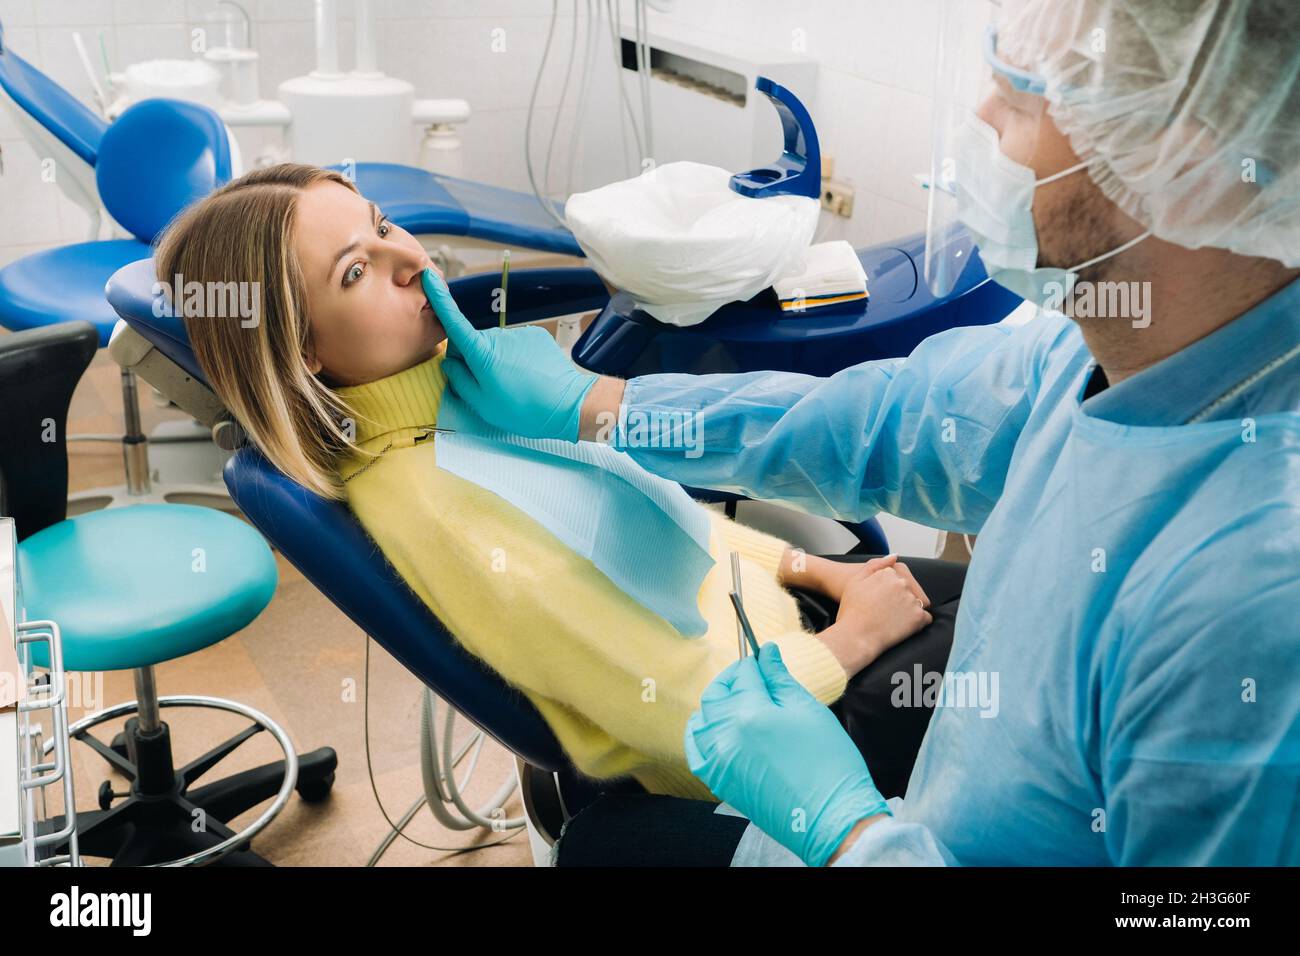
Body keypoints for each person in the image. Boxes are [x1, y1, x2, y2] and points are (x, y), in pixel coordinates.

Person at [425, 0, 1300, 866]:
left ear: (1193, 159)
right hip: (944, 807)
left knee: (609, 849)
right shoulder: (1116, 348)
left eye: (1029, 95)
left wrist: (852, 836)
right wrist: (605, 407)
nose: (985, 115)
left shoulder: (1252, 609)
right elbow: (895, 422)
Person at [154, 162, 960, 806]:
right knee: (1040, 635)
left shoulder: (468, 398)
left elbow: (673, 526)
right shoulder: (439, 509)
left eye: (384, 225)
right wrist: (852, 638)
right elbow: (692, 721)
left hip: (779, 637)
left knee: (1000, 590)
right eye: (358, 270)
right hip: (774, 737)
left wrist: (821, 571)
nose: (413, 261)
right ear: (305, 355)